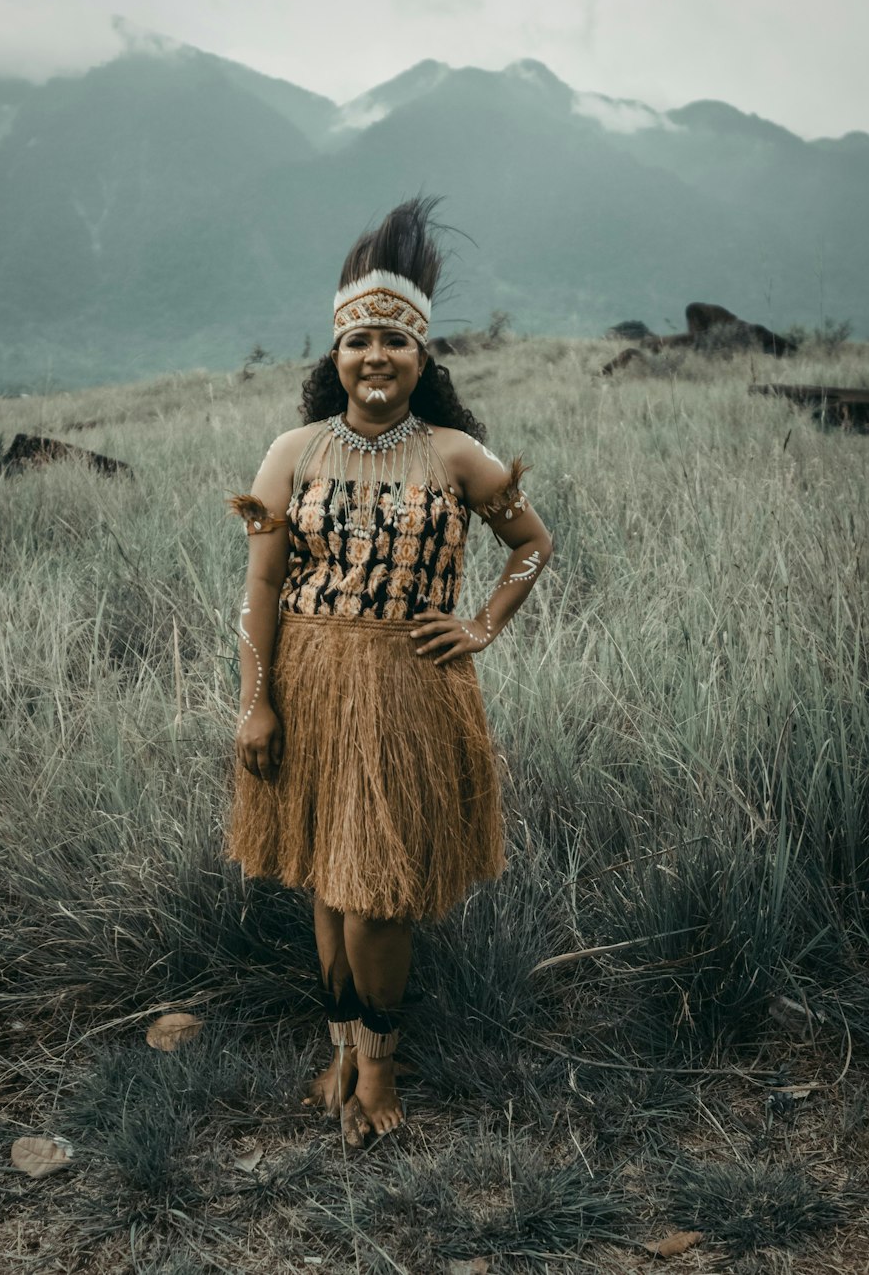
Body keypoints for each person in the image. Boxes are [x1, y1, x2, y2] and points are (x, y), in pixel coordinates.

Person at [225, 198, 552, 1146]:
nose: (376, 357)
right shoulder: (293, 452)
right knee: (327, 886)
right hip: (312, 682)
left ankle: (382, 1066)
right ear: (336, 353)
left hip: (411, 693)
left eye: (395, 344)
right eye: (359, 340)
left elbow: (532, 544)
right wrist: (257, 704)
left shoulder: (455, 455)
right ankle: (341, 1051)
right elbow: (260, 585)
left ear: (423, 358)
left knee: (375, 896)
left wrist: (483, 625)